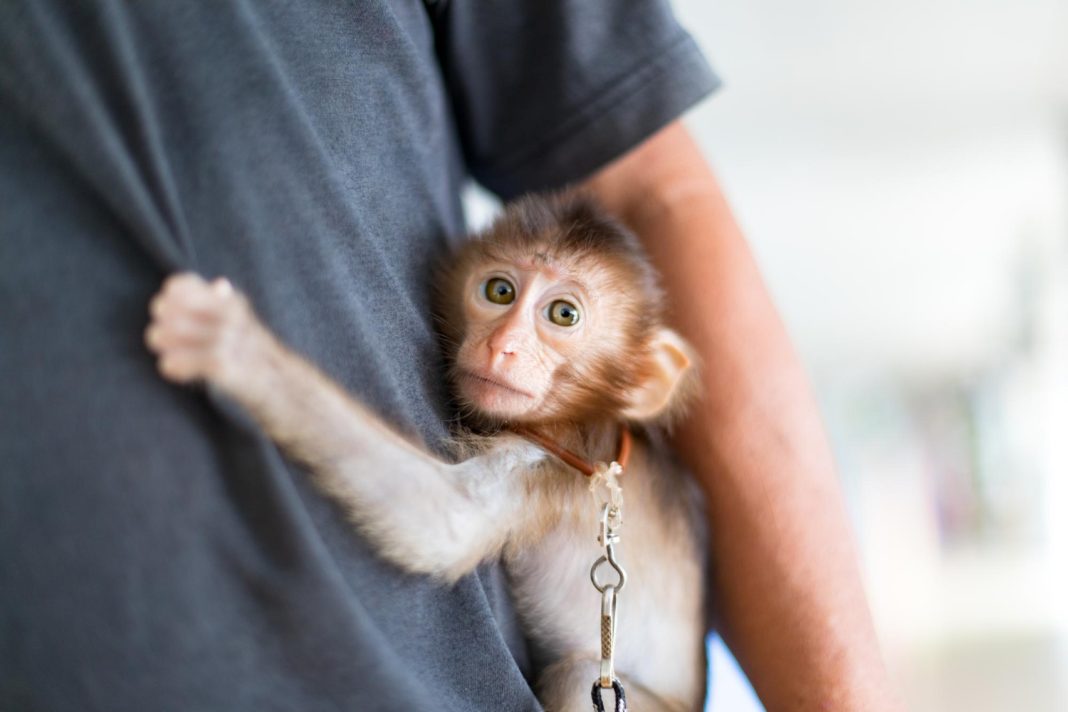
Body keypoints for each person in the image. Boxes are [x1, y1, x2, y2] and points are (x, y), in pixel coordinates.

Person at [0, 1, 899, 709]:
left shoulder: (566, 463)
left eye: (558, 319)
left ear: (642, 381)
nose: (508, 344)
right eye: (499, 295)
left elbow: (650, 183)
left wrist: (251, 361)